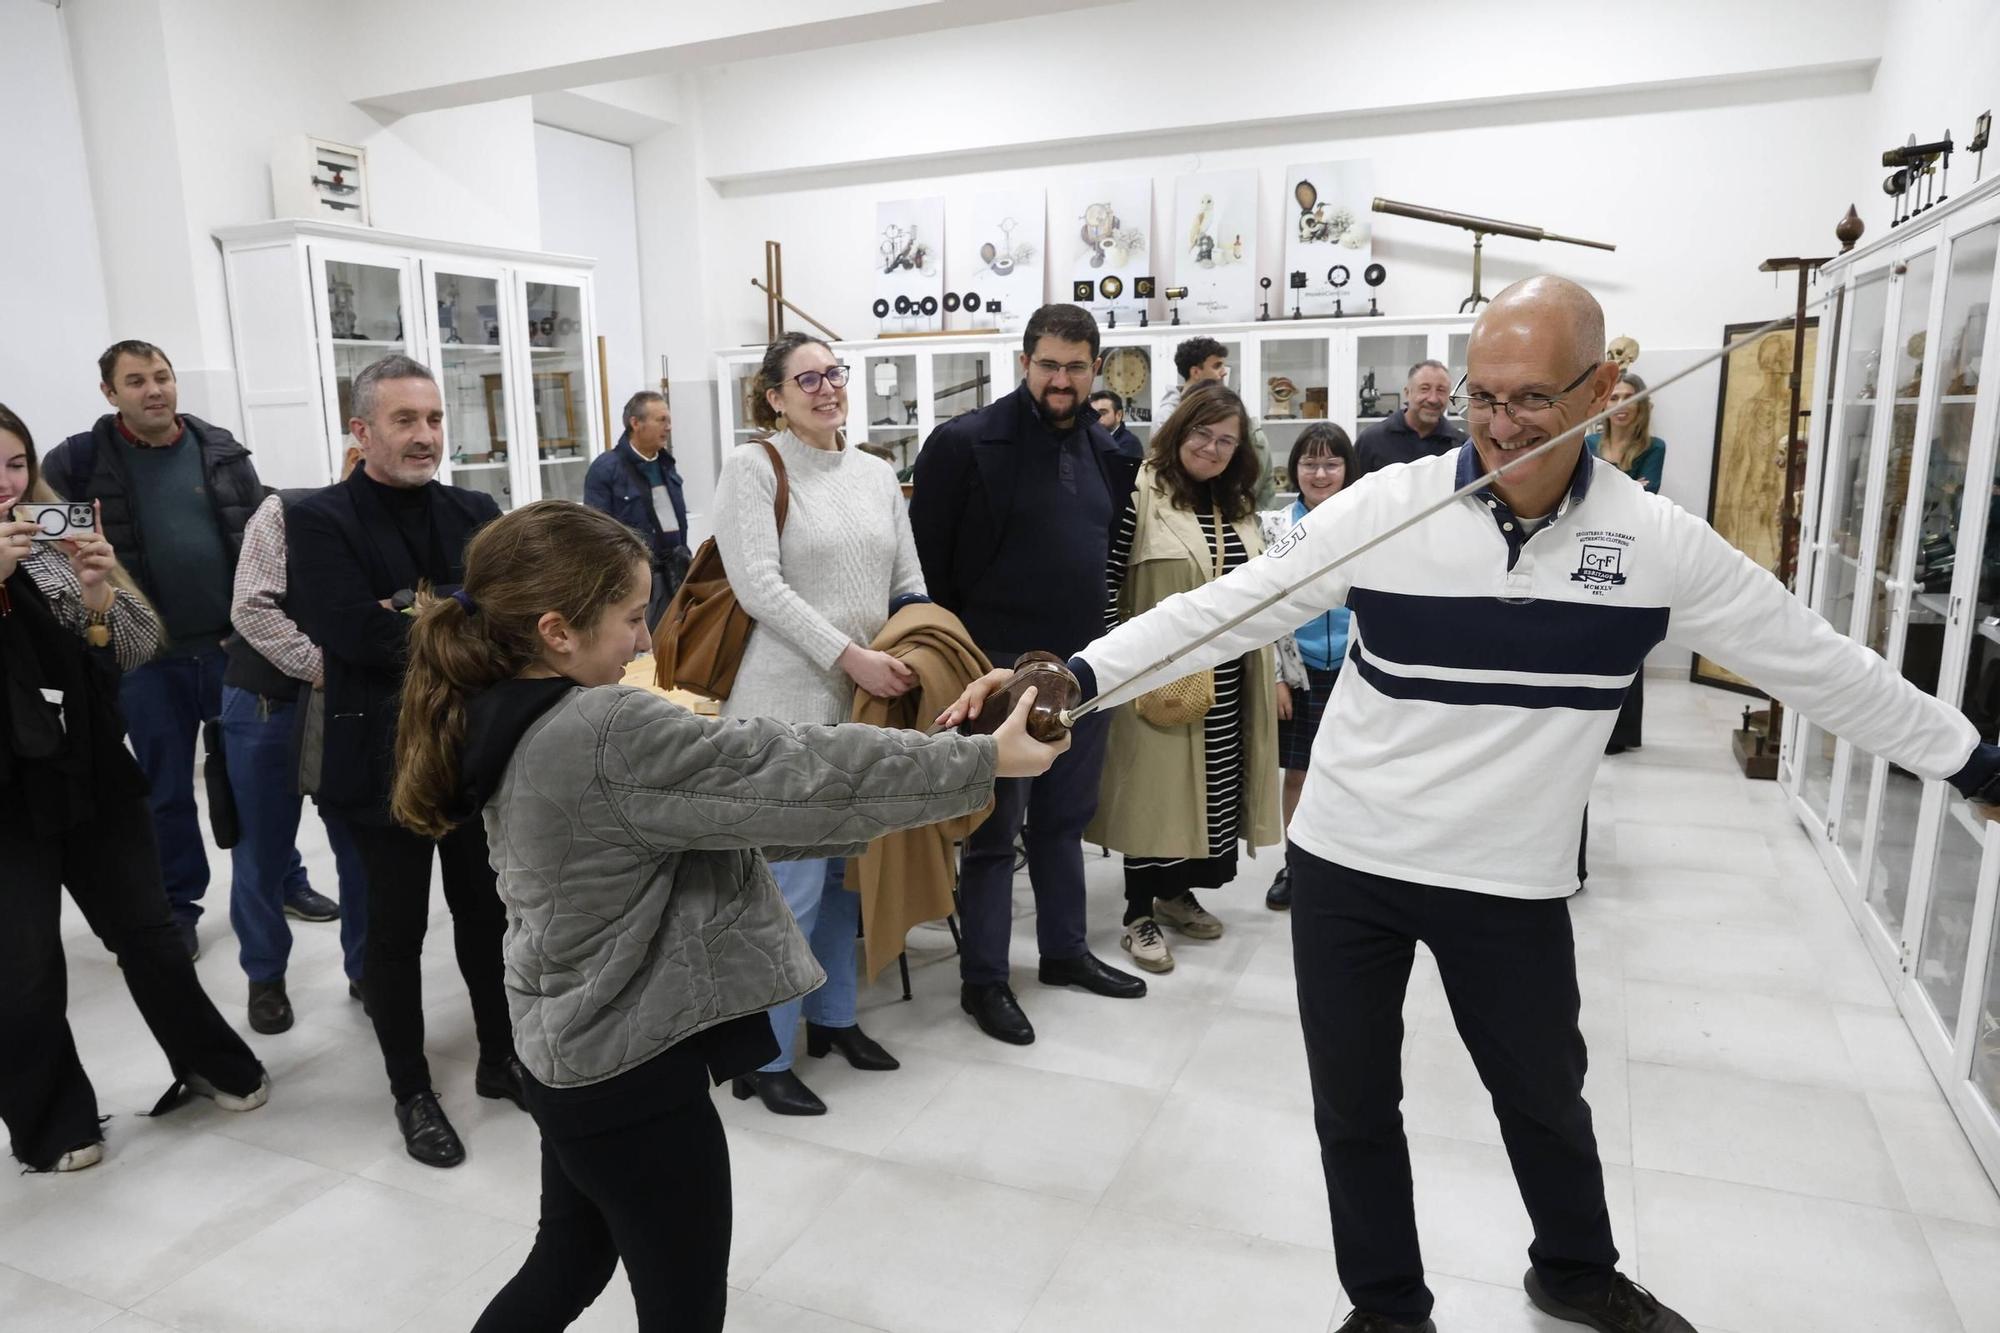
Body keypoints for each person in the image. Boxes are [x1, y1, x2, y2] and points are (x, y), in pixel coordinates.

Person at [947, 274, 2000, 1333]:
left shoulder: (1656, 542)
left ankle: (1574, 1273)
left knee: (1543, 1095)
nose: (1501, 425)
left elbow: (1820, 664)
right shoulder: (1388, 508)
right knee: (1355, 1104)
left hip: (1508, 876)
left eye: (1532, 397)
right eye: (1483, 396)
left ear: (1603, 388)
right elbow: (1222, 609)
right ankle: (1388, 1308)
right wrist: (1075, 677)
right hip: (1349, 860)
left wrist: (1971, 764)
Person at [384, 500, 1065, 1333]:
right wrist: (982, 759)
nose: (644, 641)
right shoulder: (601, 729)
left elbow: (736, 795)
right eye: (633, 617)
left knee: (567, 1260)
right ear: (556, 631)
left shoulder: (504, 707)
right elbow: (791, 772)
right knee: (679, 1309)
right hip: (633, 1080)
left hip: (571, 1054)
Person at [0, 403, 269, 1174]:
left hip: (90, 772)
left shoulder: (47, 540)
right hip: (6, 800)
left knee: (149, 934)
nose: (6, 484)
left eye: (15, 464)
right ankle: (52, 1120)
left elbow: (135, 647)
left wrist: (97, 596)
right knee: (21, 970)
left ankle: (211, 1061)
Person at [286, 354, 518, 1169]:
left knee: (488, 916)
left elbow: (506, 618)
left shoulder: (475, 510)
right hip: (377, 762)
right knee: (395, 932)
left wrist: (415, 612)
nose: (426, 435)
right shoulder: (318, 519)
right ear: (361, 429)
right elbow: (352, 632)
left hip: (474, 753)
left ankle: (501, 1056)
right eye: (405, 420)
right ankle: (411, 1089)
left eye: (434, 418)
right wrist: (457, 614)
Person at [910, 303, 1149, 1047]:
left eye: (1076, 367)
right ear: (1024, 362)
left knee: (1064, 820)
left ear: (1095, 370)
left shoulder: (1112, 452)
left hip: (1082, 669)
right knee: (991, 834)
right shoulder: (963, 444)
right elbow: (928, 573)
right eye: (1048, 364)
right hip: (994, 671)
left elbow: (1108, 559)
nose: (1061, 380)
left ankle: (1064, 952)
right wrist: (963, 669)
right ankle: (984, 979)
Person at [709, 332, 925, 1116]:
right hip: (785, 705)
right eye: (808, 378)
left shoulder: (874, 472)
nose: (828, 387)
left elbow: (907, 578)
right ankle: (764, 1055)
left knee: (842, 877)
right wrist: (852, 656)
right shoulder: (754, 467)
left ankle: (833, 1019)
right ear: (774, 395)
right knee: (788, 886)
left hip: (862, 706)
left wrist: (919, 642)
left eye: (835, 373)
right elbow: (759, 586)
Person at [41, 340, 272, 959]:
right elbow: (48, 551)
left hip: (231, 651)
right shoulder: (78, 461)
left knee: (256, 780)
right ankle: (178, 905)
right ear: (110, 393)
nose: (155, 390)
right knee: (166, 790)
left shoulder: (221, 450)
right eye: (137, 381)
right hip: (145, 660)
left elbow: (260, 539)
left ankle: (282, 883)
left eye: (162, 377)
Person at [1093, 383, 1281, 974]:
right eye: (1203, 433)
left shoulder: (1237, 503)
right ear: (1180, 430)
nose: (1212, 448)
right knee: (1153, 794)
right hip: (1156, 674)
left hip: (1230, 677)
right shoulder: (1140, 491)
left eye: (1227, 440)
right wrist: (1115, 663)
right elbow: (1107, 580)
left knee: (1209, 794)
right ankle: (1137, 914)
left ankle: (1175, 895)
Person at [219, 447, 372, 1034]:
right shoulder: (285, 511)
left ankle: (366, 970)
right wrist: (325, 667)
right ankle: (265, 977)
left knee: (362, 849)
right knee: (260, 852)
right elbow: (252, 607)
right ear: (357, 451)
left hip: (353, 710)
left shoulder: (401, 525)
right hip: (268, 703)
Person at [1260, 423, 1357, 912]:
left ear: (1347, 469)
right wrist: (1277, 677)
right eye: (1310, 464)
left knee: (1351, 775)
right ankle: (1295, 865)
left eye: (1331, 464)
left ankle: (1344, 867)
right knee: (1298, 774)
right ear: (1294, 469)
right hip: (1300, 674)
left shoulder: (1364, 521)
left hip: (1355, 671)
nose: (1320, 474)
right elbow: (1264, 610)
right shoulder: (1274, 527)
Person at [1586, 372, 1666, 755]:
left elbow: (1649, 495)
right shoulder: (1588, 443)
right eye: (1614, 396)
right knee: (1589, 635)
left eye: (1629, 397)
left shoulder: (1654, 447)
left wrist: (1607, 486)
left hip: (1631, 546)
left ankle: (1620, 733)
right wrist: (1627, 485)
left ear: (1641, 406)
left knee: (1626, 636)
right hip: (1587, 541)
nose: (1620, 404)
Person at [582, 390, 690, 631]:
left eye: (669, 420)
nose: (668, 427)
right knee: (642, 644)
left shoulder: (666, 464)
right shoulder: (606, 469)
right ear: (636, 423)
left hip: (675, 573)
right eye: (661, 420)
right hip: (635, 580)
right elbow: (596, 533)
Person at [1158, 336, 1275, 504]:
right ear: (1195, 372)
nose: (1224, 372)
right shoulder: (1166, 418)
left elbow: (1254, 488)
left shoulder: (1240, 419)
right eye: (1217, 366)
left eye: (1225, 440)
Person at [1353, 359, 1464, 477]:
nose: (1433, 399)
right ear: (1407, 393)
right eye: (1424, 389)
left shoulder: (1460, 447)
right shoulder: (1371, 441)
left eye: (1441, 390)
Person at [1089, 389, 1144, 458]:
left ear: (1119, 415)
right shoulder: (1088, 439)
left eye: (1102, 413)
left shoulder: (1130, 443)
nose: (1096, 418)